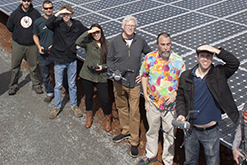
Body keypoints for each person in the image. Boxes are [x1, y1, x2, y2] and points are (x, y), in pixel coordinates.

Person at [175, 45, 240, 165]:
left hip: (211, 131)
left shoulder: (218, 74)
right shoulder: (187, 76)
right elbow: (180, 98)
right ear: (197, 57)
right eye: (203, 56)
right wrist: (181, 114)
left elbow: (234, 63)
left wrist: (216, 50)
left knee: (213, 162)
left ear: (213, 58)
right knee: (190, 162)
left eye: (209, 56)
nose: (205, 59)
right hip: (190, 130)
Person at [107, 15, 152, 158]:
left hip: (135, 83)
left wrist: (144, 72)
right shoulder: (115, 41)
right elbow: (110, 59)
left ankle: (134, 141)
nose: (130, 28)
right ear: (123, 26)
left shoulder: (140, 40)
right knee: (121, 107)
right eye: (128, 26)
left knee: (134, 111)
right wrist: (114, 72)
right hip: (119, 82)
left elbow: (150, 56)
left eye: (133, 26)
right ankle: (125, 131)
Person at [138, 33, 186, 165]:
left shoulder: (178, 61)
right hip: (153, 104)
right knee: (152, 131)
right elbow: (144, 75)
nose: (166, 47)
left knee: (169, 136)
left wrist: (175, 93)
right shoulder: (150, 58)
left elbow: (184, 82)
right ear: (157, 45)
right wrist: (146, 96)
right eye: (163, 44)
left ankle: (167, 160)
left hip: (171, 107)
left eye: (168, 44)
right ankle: (151, 154)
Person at [46, 4, 87, 119]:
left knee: (72, 84)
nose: (66, 16)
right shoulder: (57, 24)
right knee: (58, 85)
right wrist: (58, 13)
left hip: (71, 59)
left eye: (68, 14)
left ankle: (74, 106)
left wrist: (80, 45)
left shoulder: (77, 25)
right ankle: (57, 107)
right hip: (59, 59)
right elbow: (48, 24)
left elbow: (87, 33)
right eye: (64, 14)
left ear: (72, 14)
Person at [75, 23, 112, 131]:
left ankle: (108, 119)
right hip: (87, 74)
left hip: (100, 75)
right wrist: (88, 32)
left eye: (98, 32)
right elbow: (77, 42)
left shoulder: (108, 45)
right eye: (94, 32)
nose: (96, 34)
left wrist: (104, 67)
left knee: (105, 99)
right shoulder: (88, 43)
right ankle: (89, 117)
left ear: (101, 32)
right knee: (89, 96)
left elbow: (112, 61)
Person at [6, 0, 42, 95]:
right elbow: (9, 27)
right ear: (21, 1)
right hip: (18, 44)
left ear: (31, 1)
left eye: (28, 1)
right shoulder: (15, 13)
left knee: (33, 66)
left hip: (32, 45)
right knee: (15, 67)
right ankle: (13, 86)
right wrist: (19, 35)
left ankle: (36, 85)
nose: (26, 3)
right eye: (24, 0)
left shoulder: (35, 13)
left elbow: (39, 28)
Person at [32, 0, 55, 102]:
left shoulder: (57, 20)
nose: (48, 10)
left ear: (53, 8)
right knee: (45, 74)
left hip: (55, 53)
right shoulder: (38, 22)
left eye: (50, 8)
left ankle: (63, 91)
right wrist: (39, 46)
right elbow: (35, 35)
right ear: (42, 9)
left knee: (59, 73)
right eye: (46, 8)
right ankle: (49, 92)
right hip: (43, 53)